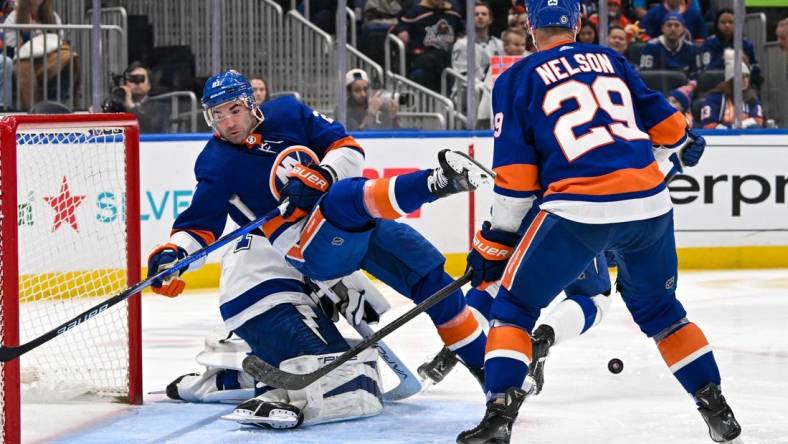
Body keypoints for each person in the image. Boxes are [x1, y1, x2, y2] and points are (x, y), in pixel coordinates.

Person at [455, 0, 741, 442]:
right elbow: (670, 129)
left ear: (531, 27)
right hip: (650, 207)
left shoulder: (514, 78)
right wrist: (682, 145)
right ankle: (717, 409)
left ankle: (498, 420)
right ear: (577, 23)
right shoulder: (610, 59)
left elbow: (515, 181)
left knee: (513, 308)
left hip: (577, 210)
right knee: (664, 313)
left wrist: (494, 242)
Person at [147, 70, 493, 429]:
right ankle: (437, 181)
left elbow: (348, 149)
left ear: (252, 103)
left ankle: (487, 371)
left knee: (430, 276)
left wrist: (324, 174)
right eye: (217, 115)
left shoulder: (288, 113)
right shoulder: (216, 161)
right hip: (306, 246)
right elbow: (199, 224)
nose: (227, 123)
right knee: (343, 198)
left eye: (233, 110)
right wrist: (174, 254)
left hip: (355, 226)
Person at [5, 0, 75, 111]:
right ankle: (34, 109)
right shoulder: (14, 17)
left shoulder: (53, 16)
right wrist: (26, 35)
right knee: (24, 66)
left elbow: (59, 40)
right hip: (23, 58)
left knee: (68, 57)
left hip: (48, 58)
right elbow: (11, 46)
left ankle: (57, 103)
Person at [393, 0, 464, 92]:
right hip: (423, 55)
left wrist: (460, 36)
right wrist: (402, 30)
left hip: (446, 56)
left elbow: (461, 29)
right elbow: (401, 24)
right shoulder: (416, 10)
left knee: (450, 60)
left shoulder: (453, 12)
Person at [101, 61, 170, 134]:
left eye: (140, 79)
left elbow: (151, 128)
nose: (136, 83)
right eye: (131, 79)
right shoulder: (117, 107)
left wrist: (132, 107)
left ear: (149, 85)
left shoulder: (160, 109)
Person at [700, 8, 761, 88]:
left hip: (742, 86)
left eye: (731, 22)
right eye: (723, 22)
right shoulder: (709, 43)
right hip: (716, 85)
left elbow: (756, 69)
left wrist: (747, 63)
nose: (727, 25)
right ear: (717, 24)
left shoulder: (746, 44)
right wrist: (725, 60)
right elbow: (706, 68)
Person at [700, 57, 763, 130]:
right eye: (741, 76)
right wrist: (732, 129)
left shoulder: (752, 97)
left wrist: (742, 125)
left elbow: (758, 121)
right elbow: (708, 125)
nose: (745, 80)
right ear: (731, 79)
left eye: (747, 76)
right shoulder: (715, 97)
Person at [451, 2, 504, 83]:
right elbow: (461, 74)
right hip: (467, 91)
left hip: (492, 90)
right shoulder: (461, 44)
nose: (480, 17)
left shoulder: (500, 44)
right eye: (476, 14)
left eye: (484, 14)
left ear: (490, 20)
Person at [639, 12, 701, 80]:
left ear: (683, 29)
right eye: (669, 25)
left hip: (683, 88)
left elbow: (697, 74)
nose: (673, 29)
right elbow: (646, 75)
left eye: (677, 25)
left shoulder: (691, 48)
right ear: (662, 28)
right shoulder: (651, 46)